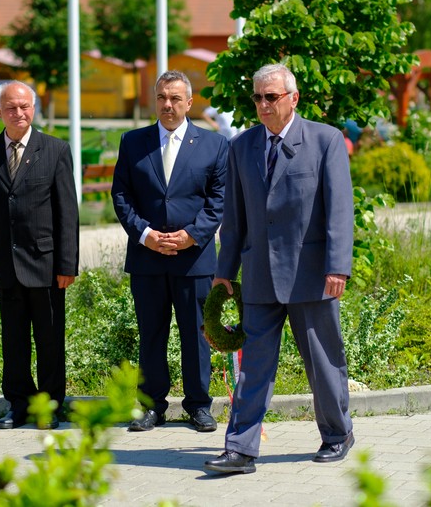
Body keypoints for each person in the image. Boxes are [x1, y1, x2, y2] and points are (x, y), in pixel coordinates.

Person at [203, 63, 355, 474]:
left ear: (294, 98)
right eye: (258, 97)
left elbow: (340, 209)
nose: (263, 104)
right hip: (259, 276)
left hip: (312, 274)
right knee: (254, 367)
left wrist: (338, 266)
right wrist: (224, 272)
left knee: (323, 363)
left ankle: (337, 434)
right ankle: (240, 449)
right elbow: (234, 218)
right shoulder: (241, 146)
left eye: (271, 96)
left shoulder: (325, 140)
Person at [111, 70, 228, 433]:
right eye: (162, 97)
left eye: (176, 98)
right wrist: (145, 235)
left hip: (194, 259)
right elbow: (121, 195)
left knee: (197, 335)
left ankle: (198, 406)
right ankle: (151, 407)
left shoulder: (214, 145)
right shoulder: (133, 142)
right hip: (147, 258)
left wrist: (192, 235)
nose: (168, 105)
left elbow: (219, 200)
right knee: (151, 334)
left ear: (189, 103)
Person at [0, 80, 79, 430]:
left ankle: (49, 406)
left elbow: (67, 212)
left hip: (47, 265)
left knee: (50, 341)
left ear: (33, 109)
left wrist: (67, 264)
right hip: (5, 265)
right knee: (13, 342)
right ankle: (18, 405)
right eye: (11, 107)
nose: (18, 113)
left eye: (24, 106)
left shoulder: (55, 149)